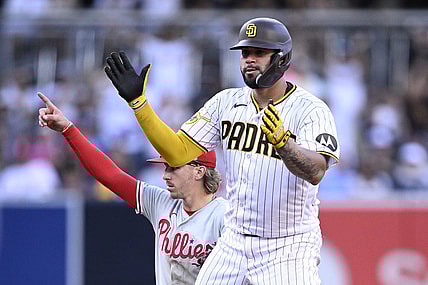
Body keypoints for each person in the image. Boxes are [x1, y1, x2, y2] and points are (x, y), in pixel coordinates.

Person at [104, 17, 340, 285]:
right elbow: (179, 153)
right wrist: (139, 104)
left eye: (259, 53)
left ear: (282, 59)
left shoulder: (310, 109)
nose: (250, 59)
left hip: (287, 245)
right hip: (235, 239)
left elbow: (316, 171)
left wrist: (286, 145)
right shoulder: (226, 102)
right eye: (245, 53)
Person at [36, 92, 227, 285]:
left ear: (199, 171)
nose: (165, 174)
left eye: (174, 167)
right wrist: (68, 129)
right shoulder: (162, 202)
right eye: (166, 167)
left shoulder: (225, 216)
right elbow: (110, 176)